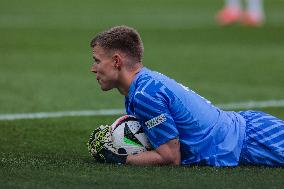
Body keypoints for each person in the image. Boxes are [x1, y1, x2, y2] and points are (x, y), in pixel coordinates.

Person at [88, 25, 284, 166]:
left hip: (252, 140)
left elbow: (170, 158)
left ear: (116, 61)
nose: (93, 68)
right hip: (245, 129)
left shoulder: (144, 95)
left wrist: (120, 158)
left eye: (97, 61)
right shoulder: (144, 84)